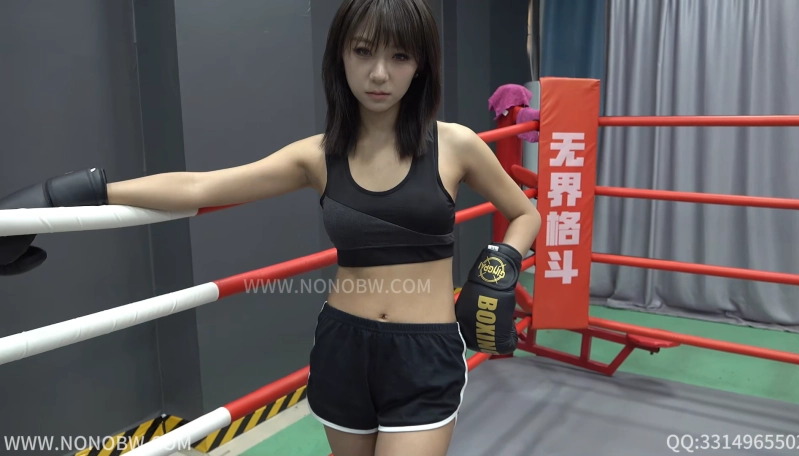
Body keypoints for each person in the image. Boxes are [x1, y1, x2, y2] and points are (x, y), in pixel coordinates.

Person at [0, 0, 541, 454]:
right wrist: (69, 195)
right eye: (363, 51)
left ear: (420, 64)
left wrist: (501, 262)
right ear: (341, 57)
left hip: (423, 353)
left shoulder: (455, 144)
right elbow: (202, 187)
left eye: (399, 56)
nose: (380, 73)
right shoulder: (317, 156)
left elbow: (525, 212)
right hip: (344, 347)